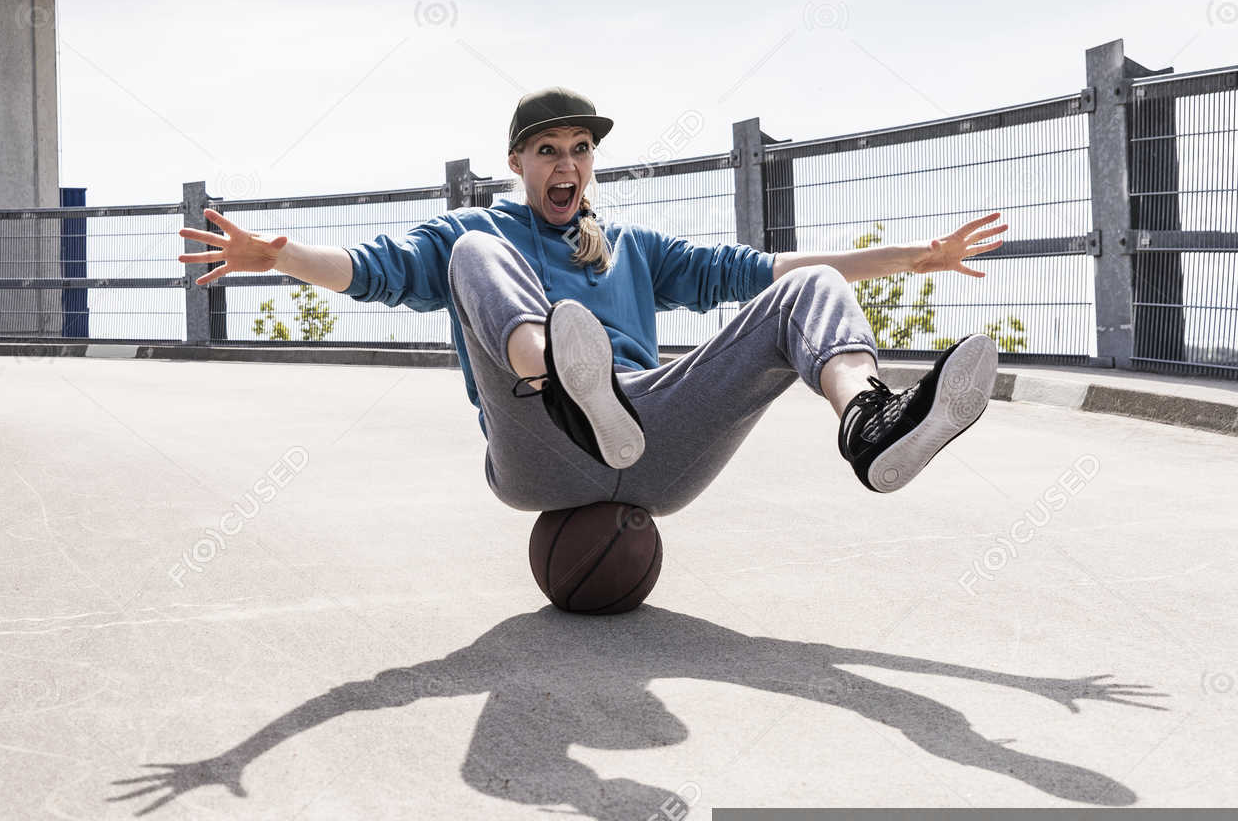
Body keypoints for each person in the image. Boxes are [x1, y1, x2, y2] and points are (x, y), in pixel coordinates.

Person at [177, 87, 1008, 515]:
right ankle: (566, 387)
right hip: (536, 446)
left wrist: (915, 256)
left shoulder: (637, 249)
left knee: (810, 288)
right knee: (474, 251)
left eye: (580, 151)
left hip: (653, 442)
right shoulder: (478, 229)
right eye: (548, 151)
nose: (566, 164)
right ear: (518, 161)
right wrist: (277, 258)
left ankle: (868, 425)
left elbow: (766, 270)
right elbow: (372, 269)